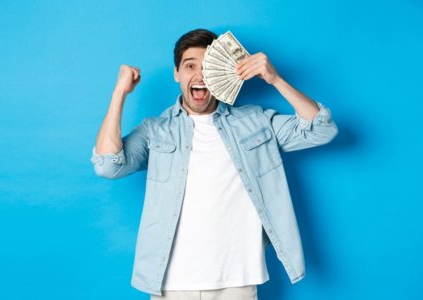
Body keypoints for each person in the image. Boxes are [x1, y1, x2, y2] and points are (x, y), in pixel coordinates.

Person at [90, 29, 338, 300]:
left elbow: (321, 129)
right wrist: (119, 93)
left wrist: (275, 79)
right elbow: (107, 165)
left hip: (237, 281)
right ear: (177, 74)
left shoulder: (255, 121)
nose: (199, 75)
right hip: (172, 283)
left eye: (208, 66)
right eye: (190, 66)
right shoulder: (156, 130)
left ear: (223, 71)